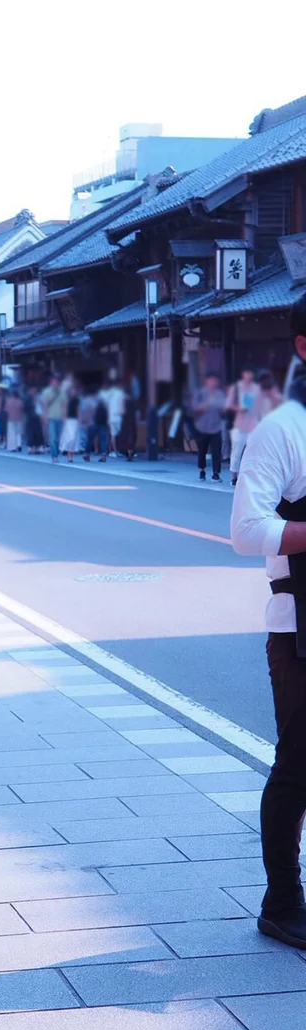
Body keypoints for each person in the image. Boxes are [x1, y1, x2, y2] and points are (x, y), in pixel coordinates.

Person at [231, 290, 306, 949]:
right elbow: (246, 528)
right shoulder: (282, 430)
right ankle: (283, 901)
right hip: (298, 626)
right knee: (300, 763)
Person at [226, 367, 261, 486]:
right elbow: (229, 405)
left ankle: (250, 477)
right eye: (247, 372)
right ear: (243, 374)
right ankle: (234, 477)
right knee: (236, 452)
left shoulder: (256, 388)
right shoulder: (236, 387)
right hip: (239, 425)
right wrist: (239, 408)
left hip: (253, 424)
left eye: (250, 373)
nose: (248, 375)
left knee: (253, 452)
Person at [192, 372, 227, 481]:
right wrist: (206, 404)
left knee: (216, 451)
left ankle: (216, 473)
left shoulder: (220, 394)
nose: (213, 383)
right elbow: (195, 408)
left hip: (216, 427)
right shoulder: (200, 393)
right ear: (206, 381)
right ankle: (202, 470)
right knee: (202, 450)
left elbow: (224, 408)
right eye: (211, 380)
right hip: (202, 427)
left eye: (215, 381)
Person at [40, 374, 66, 463]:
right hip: (51, 418)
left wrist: (65, 417)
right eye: (53, 381)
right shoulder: (47, 391)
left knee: (58, 438)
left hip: (60, 417)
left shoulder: (62, 392)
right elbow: (44, 405)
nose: (55, 383)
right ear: (51, 382)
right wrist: (44, 416)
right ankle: (54, 456)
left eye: (56, 381)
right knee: (52, 437)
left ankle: (56, 453)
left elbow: (64, 405)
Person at [59, 378, 80, 463]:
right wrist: (64, 418)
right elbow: (64, 409)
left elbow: (78, 410)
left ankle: (70, 455)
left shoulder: (77, 400)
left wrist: (79, 420)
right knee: (69, 437)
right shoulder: (66, 399)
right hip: (68, 420)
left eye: (74, 390)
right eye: (72, 390)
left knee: (73, 437)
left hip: (75, 420)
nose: (73, 392)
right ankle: (68, 453)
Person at [105, 370, 126, 454]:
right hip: (118, 416)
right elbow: (123, 405)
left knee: (113, 434)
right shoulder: (121, 393)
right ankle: (123, 450)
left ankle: (114, 451)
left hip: (110, 417)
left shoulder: (109, 393)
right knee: (122, 434)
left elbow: (105, 404)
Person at [117, 392, 138, 461]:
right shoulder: (134, 401)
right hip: (132, 420)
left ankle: (128, 453)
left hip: (126, 421)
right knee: (132, 436)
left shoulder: (125, 402)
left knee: (125, 437)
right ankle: (131, 452)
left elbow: (122, 412)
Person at [24, 384, 44, 454]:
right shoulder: (27, 397)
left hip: (37, 417)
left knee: (38, 433)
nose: (35, 391)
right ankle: (31, 448)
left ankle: (37, 447)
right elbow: (25, 408)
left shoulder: (37, 396)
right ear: (31, 389)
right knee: (30, 433)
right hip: (30, 417)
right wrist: (33, 404)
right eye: (33, 389)